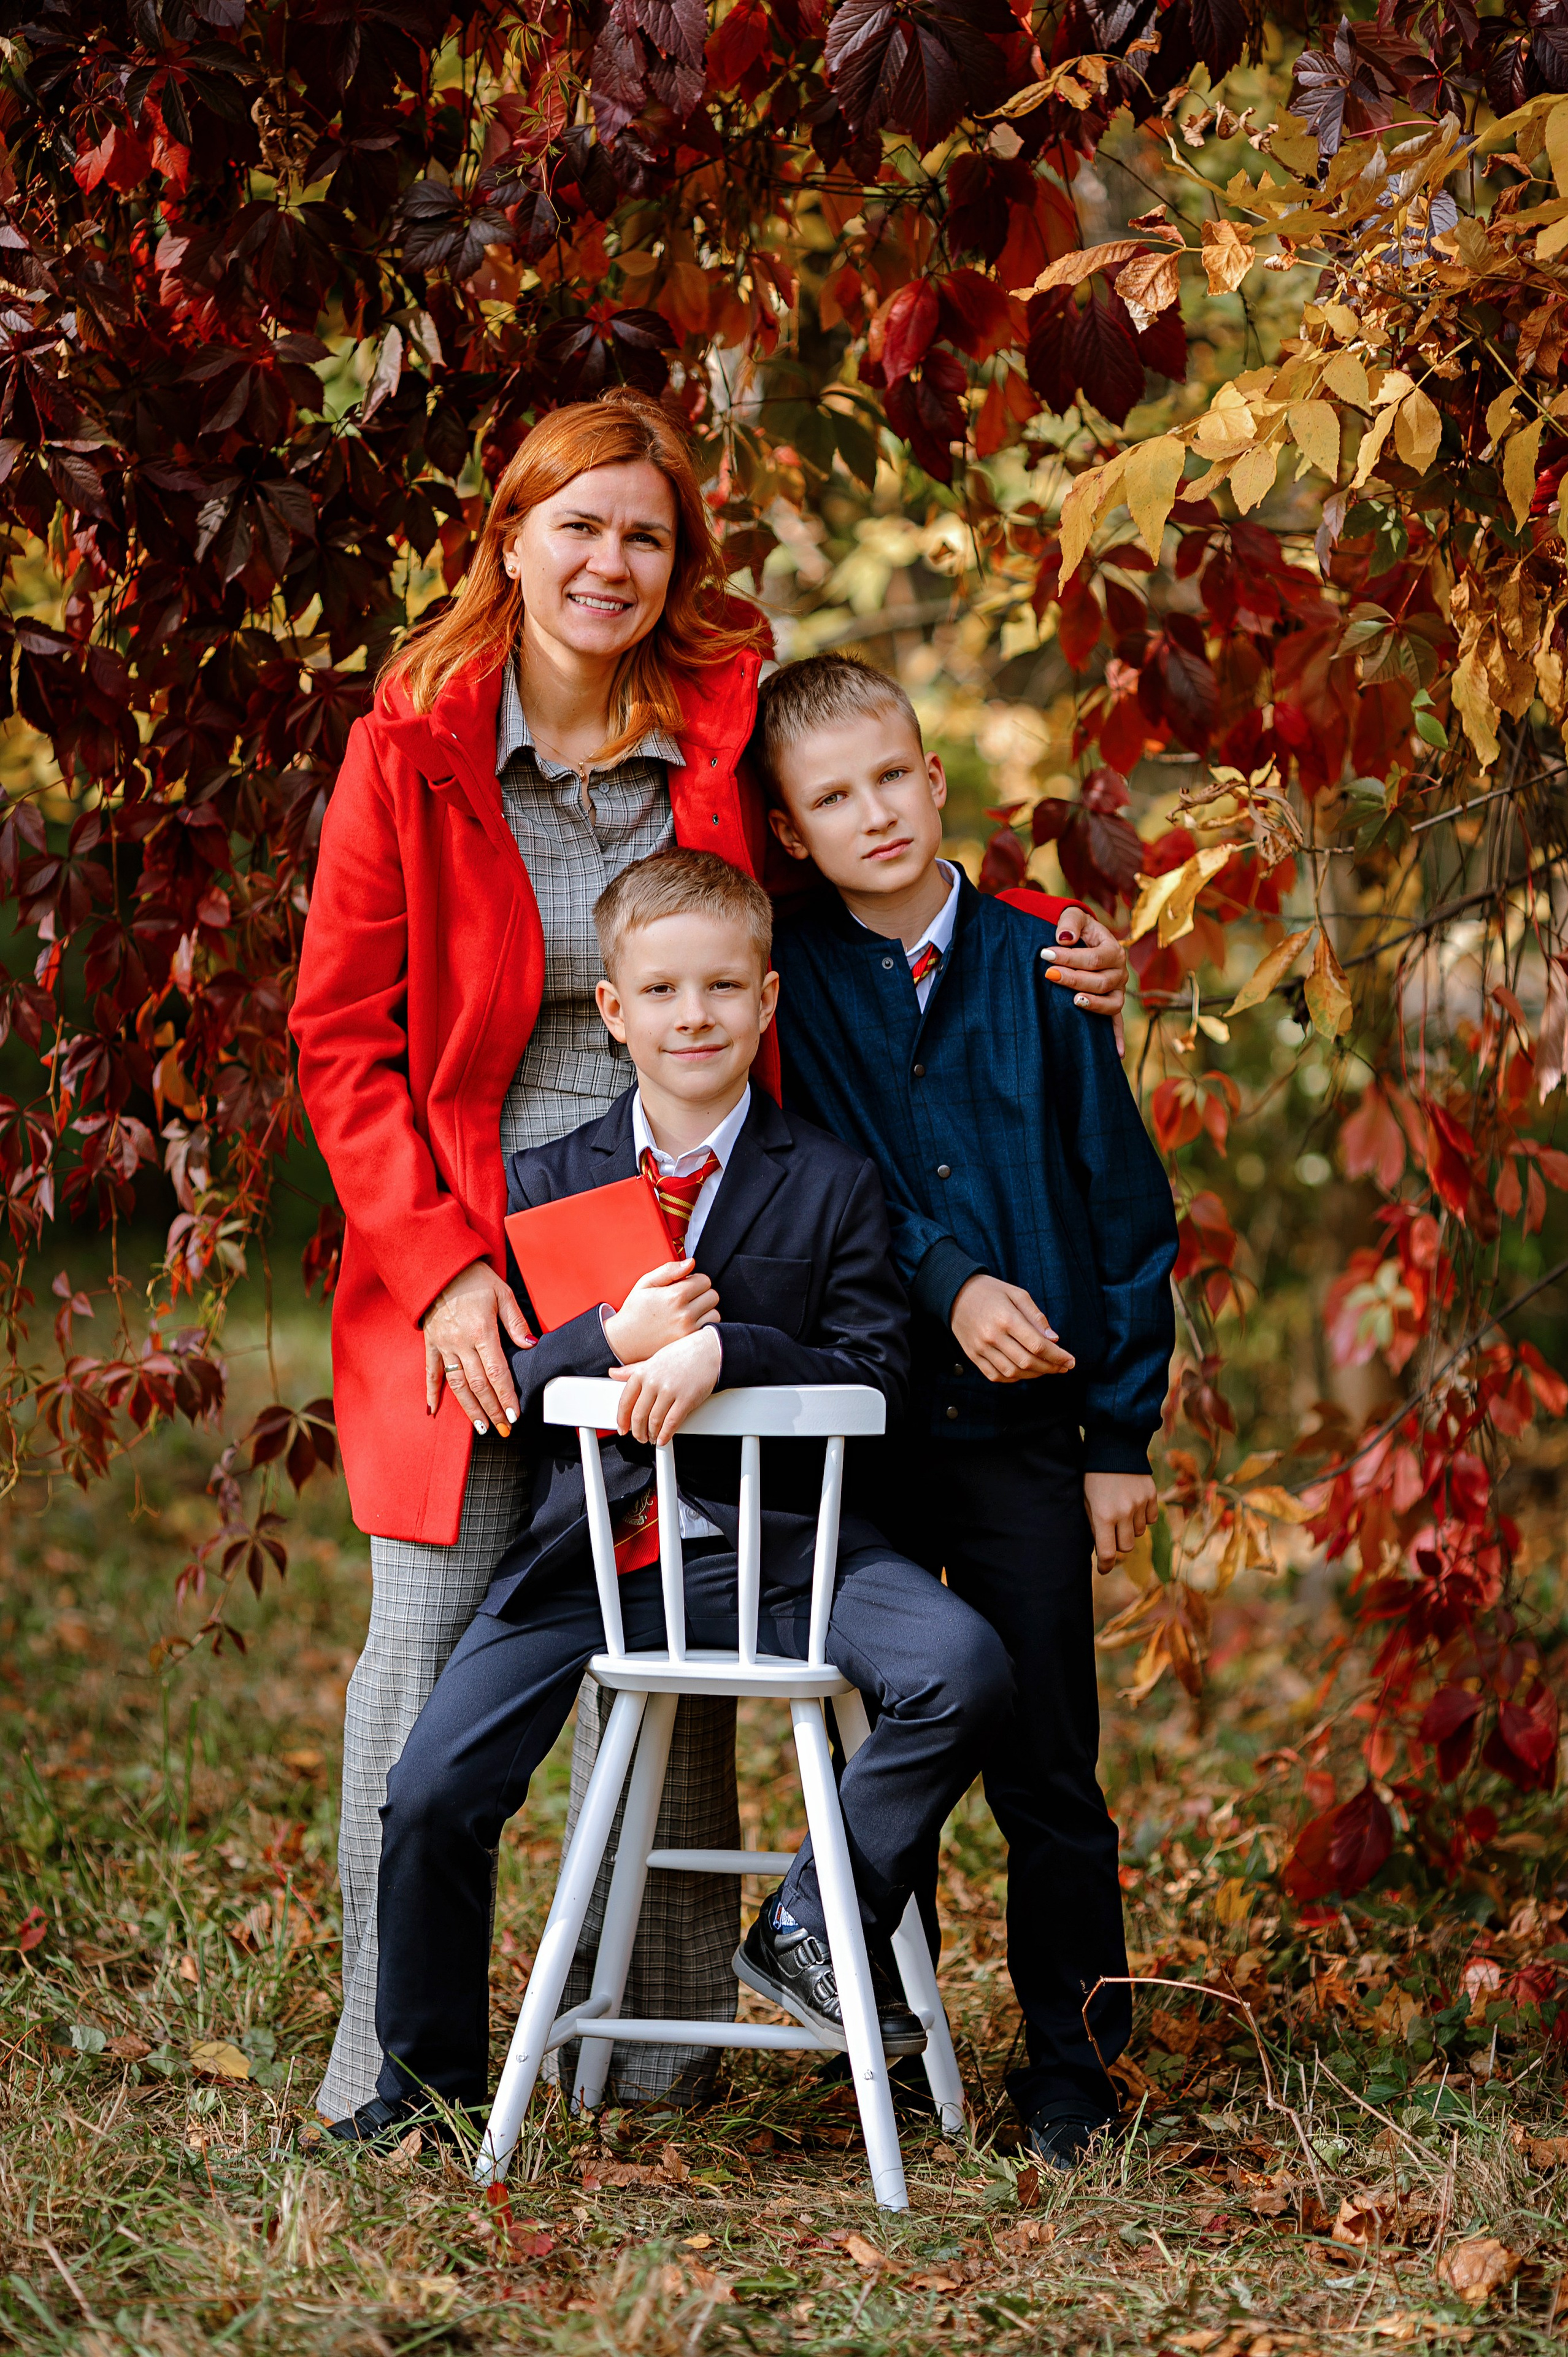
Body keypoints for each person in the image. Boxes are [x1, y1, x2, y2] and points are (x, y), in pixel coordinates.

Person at [289, 387, 1132, 2123]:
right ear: (508, 534)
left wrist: (1037, 949)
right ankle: (391, 2054)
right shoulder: (414, 746)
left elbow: (842, 876)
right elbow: (343, 1040)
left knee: (693, 1584)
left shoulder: (716, 726)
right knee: (433, 1644)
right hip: (488, 1234)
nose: (609, 560)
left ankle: (663, 2053)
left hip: (719, 1211)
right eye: (577, 523)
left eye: (646, 534)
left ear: (680, 567)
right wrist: (447, 1271)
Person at [342, 850, 1012, 2136]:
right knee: (428, 1786)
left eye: (718, 988)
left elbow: (873, 1370)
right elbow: (514, 1393)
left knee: (963, 1668)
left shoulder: (828, 1179)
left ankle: (818, 1913)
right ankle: (420, 2087)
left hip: (784, 1546)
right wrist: (610, 1334)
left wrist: (727, 1350)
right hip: (587, 1559)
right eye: (660, 989)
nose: (690, 1014)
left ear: (766, 1001)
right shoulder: (551, 1177)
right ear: (614, 1010)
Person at [753, 653, 1179, 2171]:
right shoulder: (782, 980)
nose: (870, 812)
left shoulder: (1041, 965)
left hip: (1023, 1435)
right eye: (829, 797)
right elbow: (815, 1171)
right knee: (907, 1731)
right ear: (790, 831)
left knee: (1053, 1763)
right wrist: (946, 1281)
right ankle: (889, 2036)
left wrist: (1120, 1438)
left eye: (889, 776)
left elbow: (1127, 1205)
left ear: (936, 780)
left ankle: (1071, 2070)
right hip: (864, 1423)